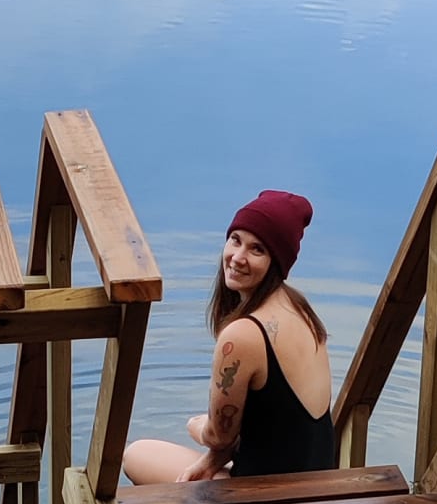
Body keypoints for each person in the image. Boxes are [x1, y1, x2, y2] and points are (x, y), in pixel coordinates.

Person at [123, 190, 334, 484]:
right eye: (235, 240)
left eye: (257, 249)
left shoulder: (244, 334)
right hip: (317, 486)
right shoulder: (301, 311)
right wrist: (215, 456)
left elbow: (217, 436)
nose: (238, 257)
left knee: (137, 454)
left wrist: (196, 426)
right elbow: (286, 429)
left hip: (268, 502)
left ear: (277, 262)